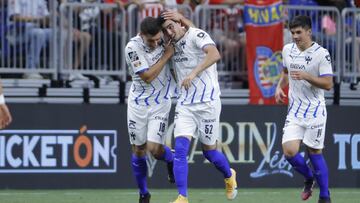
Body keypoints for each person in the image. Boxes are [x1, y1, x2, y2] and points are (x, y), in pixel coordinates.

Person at [158, 13, 238, 203]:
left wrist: (193, 74)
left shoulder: (197, 34)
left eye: (171, 26)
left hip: (208, 103)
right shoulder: (170, 46)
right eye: (165, 30)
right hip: (185, 104)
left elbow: (214, 54)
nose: (169, 32)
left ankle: (229, 175)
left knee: (209, 152)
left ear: (179, 23)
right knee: (180, 149)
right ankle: (182, 197)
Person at [275, 15, 333, 203]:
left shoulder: (321, 54)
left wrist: (307, 76)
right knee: (289, 152)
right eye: (293, 32)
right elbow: (285, 73)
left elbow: (328, 84)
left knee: (314, 152)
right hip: (295, 110)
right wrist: (279, 87)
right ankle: (309, 178)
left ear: (309, 31)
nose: (295, 36)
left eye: (299, 32)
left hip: (315, 111)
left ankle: (325, 197)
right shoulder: (287, 50)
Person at [124, 16, 175, 203]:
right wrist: (167, 55)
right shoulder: (132, 48)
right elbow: (146, 77)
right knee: (138, 149)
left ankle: (170, 159)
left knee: (154, 149)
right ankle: (144, 193)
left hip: (160, 102)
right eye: (150, 40)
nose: (155, 43)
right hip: (138, 103)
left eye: (157, 39)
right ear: (141, 35)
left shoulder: (166, 39)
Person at [7, 0, 52, 79]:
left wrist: (50, 18)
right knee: (39, 33)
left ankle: (57, 70)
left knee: (59, 34)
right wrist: (36, 19)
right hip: (17, 32)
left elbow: (46, 18)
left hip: (37, 29)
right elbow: (14, 17)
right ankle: (30, 69)